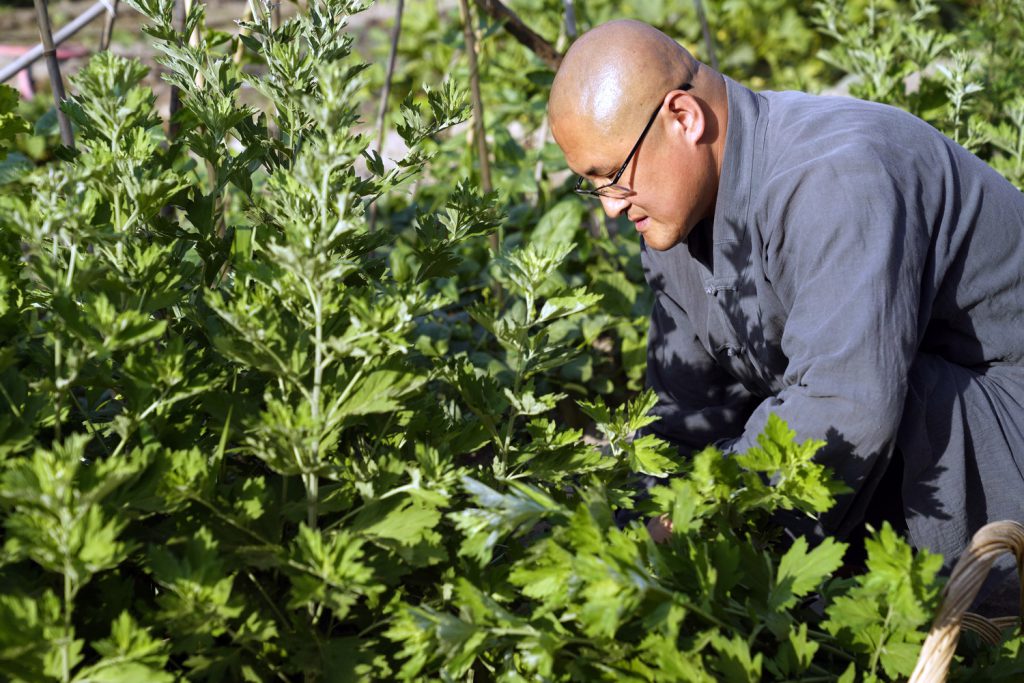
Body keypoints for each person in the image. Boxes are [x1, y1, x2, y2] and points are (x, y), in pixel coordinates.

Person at [548, 19, 1024, 610]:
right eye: (591, 186)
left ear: (684, 118)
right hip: (911, 415)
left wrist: (692, 526)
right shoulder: (671, 222)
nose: (612, 208)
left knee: (865, 395)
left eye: (612, 176)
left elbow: (846, 405)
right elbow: (685, 416)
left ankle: (960, 624)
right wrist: (631, 538)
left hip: (1000, 417)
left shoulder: (835, 175)